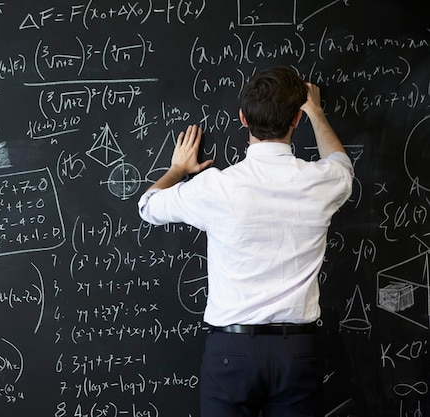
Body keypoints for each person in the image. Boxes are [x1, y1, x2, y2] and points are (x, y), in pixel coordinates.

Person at [137, 66, 354, 417]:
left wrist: (178, 169)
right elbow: (341, 165)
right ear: (296, 119)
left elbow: (147, 206)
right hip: (297, 351)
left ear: (242, 118)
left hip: (231, 351)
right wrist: (317, 112)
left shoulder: (216, 186)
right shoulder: (322, 182)